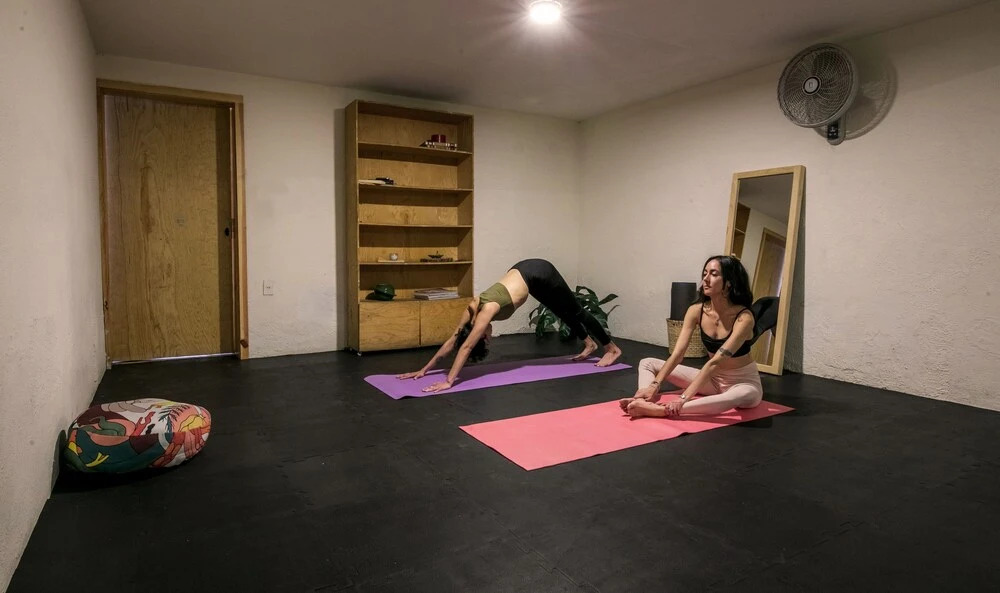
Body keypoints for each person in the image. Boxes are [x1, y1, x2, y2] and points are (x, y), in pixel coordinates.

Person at [398, 258, 623, 392]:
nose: (489, 336)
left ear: (480, 334)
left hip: (540, 271)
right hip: (526, 274)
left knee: (576, 310)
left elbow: (466, 346)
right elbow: (453, 341)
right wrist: (424, 370)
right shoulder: (470, 310)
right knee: (559, 310)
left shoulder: (485, 312)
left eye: (486, 338)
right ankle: (589, 344)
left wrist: (449, 381)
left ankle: (611, 348)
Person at [619, 255, 762, 418]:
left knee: (740, 395)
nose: (706, 279)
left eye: (714, 274)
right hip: (712, 380)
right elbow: (678, 354)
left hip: (742, 383)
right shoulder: (696, 311)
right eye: (705, 273)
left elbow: (715, 362)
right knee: (647, 363)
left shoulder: (744, 318)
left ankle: (661, 411)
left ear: (729, 282)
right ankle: (642, 399)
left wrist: (683, 398)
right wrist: (654, 385)